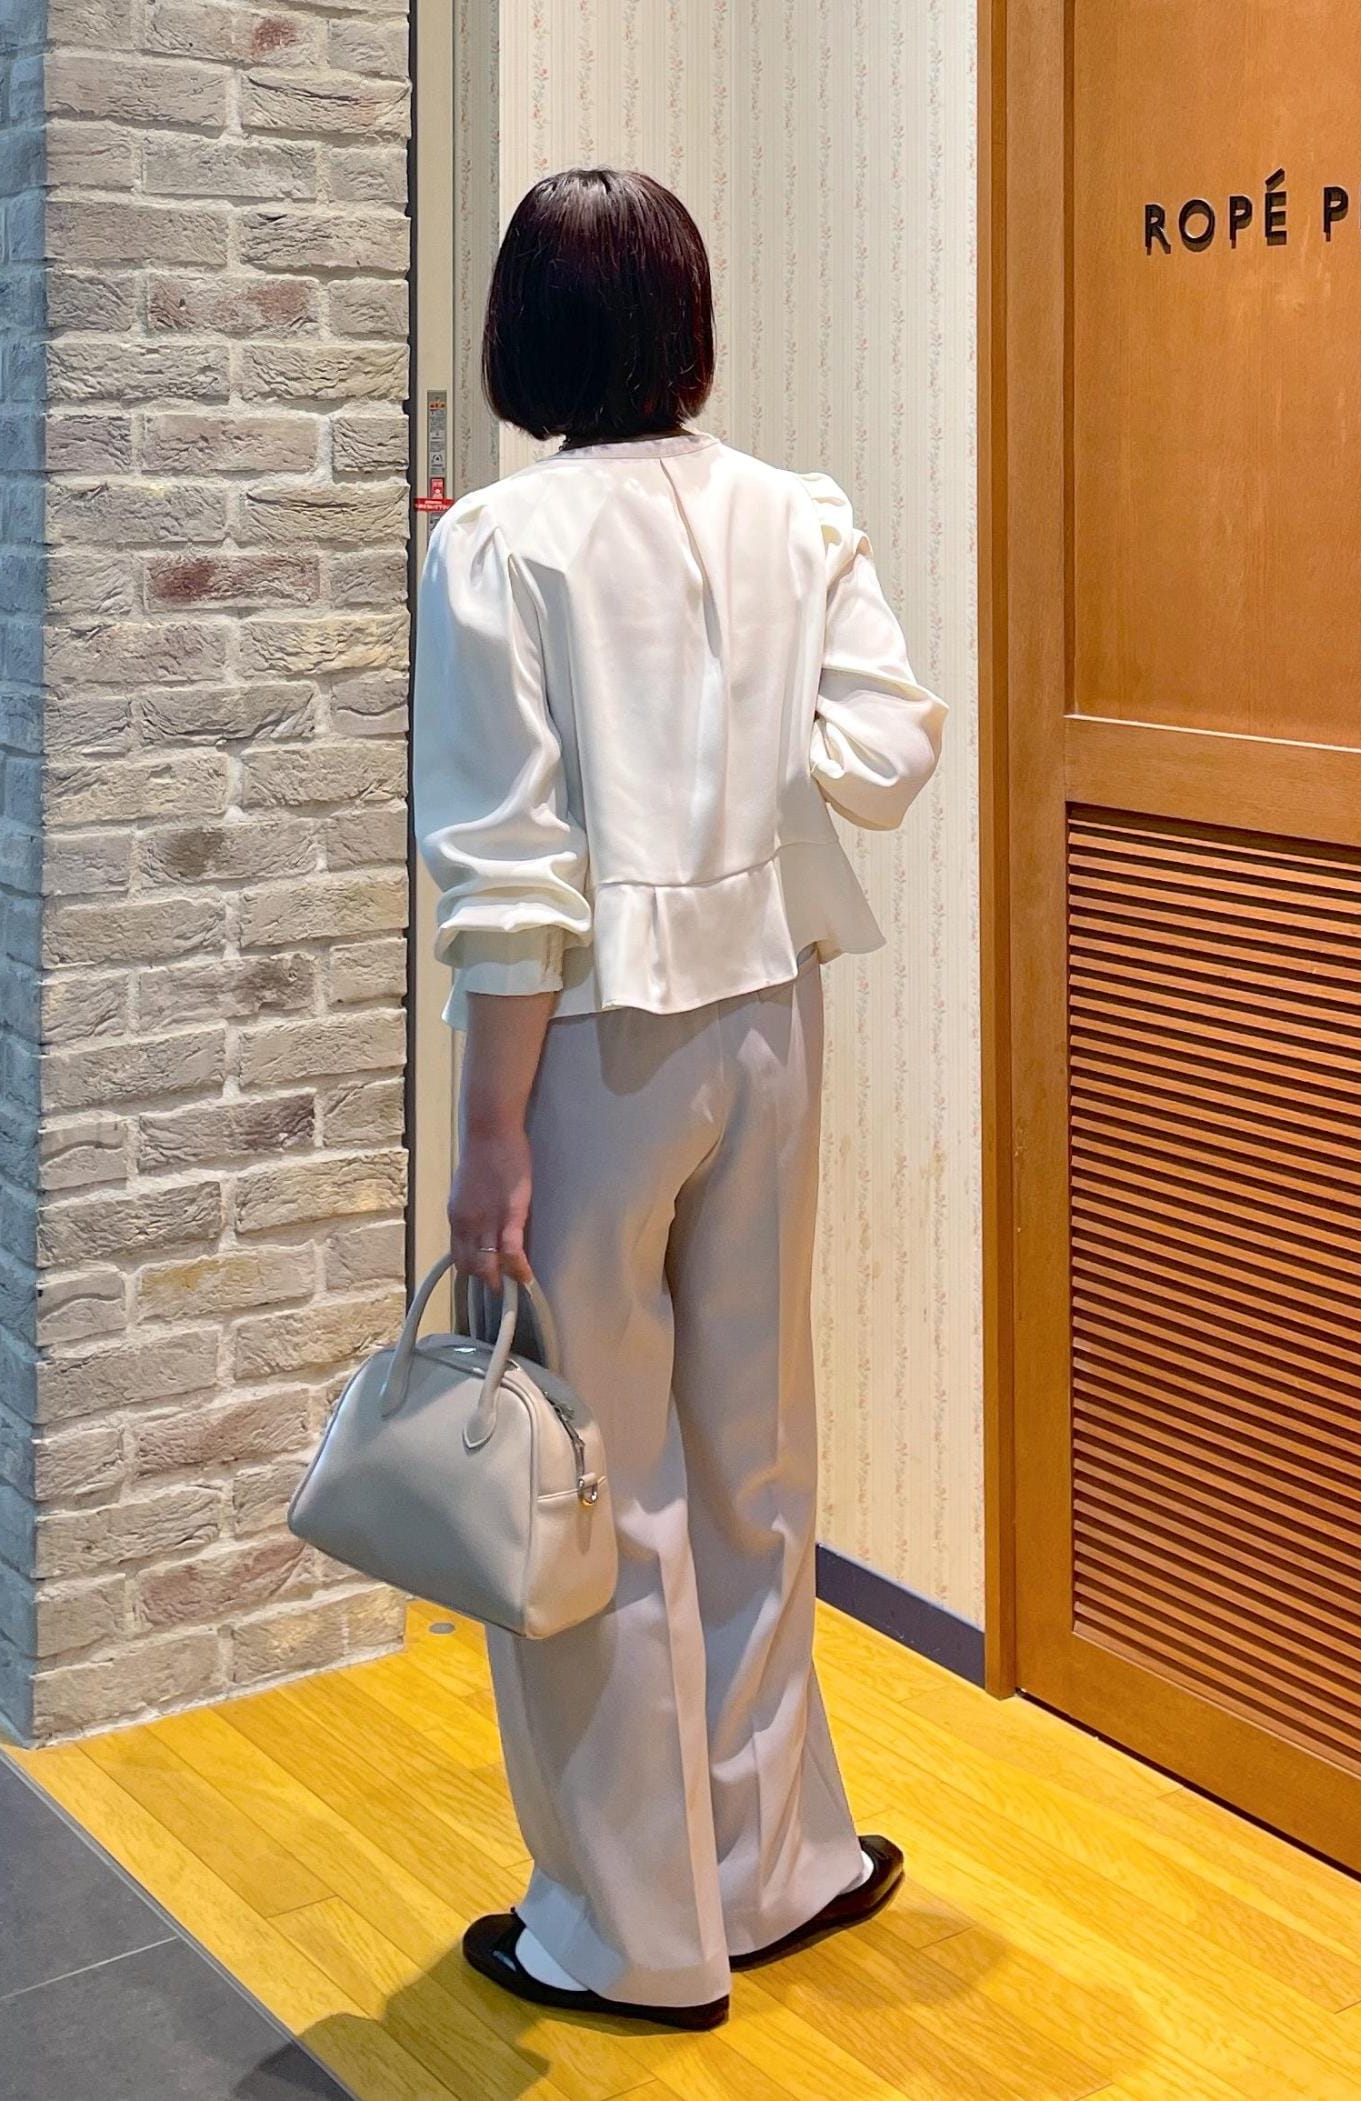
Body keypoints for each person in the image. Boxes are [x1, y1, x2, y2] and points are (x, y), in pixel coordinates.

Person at [410, 166, 947, 2031]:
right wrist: (745, 789)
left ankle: (626, 1932)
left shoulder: (500, 543)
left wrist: (488, 1137)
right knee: (757, 1446)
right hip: (770, 1017)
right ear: (687, 323)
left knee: (593, 1465)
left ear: (525, 334)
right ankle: (777, 1865)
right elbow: (893, 742)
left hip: (594, 1049)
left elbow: (509, 877)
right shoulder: (795, 511)